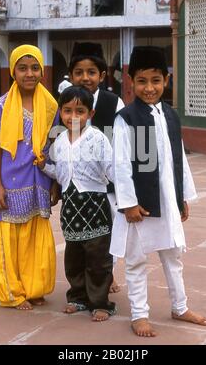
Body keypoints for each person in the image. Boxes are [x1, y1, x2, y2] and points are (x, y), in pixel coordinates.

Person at [110, 46, 206, 337]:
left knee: (173, 256)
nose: (149, 88)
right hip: (140, 206)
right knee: (137, 260)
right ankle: (139, 315)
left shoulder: (170, 115)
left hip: (167, 200)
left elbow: (179, 159)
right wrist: (128, 204)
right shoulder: (127, 118)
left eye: (155, 80)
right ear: (130, 82)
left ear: (166, 80)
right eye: (142, 81)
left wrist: (182, 197)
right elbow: (120, 165)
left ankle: (180, 307)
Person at [0, 44, 58, 311]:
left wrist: (54, 184)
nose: (29, 73)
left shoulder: (51, 105)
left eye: (35, 67)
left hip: (40, 179)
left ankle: (35, 287)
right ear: (13, 72)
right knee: (11, 237)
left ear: (42, 71)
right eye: (23, 68)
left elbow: (54, 147)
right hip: (9, 181)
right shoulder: (3, 105)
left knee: (35, 235)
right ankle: (13, 291)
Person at [38, 85, 116, 321]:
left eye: (80, 111)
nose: (73, 117)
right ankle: (78, 298)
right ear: (61, 112)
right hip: (71, 207)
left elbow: (113, 170)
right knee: (74, 256)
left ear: (90, 114)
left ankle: (100, 302)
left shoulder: (98, 139)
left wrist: (129, 197)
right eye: (68, 111)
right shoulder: (59, 141)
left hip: (95, 204)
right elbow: (59, 172)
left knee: (98, 257)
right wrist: (44, 166)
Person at [68, 41, 124, 293]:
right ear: (71, 75)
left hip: (108, 186)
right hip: (77, 186)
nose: (85, 78)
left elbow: (125, 145)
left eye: (91, 72)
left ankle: (107, 275)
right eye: (79, 72)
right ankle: (82, 282)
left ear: (102, 76)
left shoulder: (114, 103)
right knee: (81, 236)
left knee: (107, 233)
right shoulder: (67, 102)